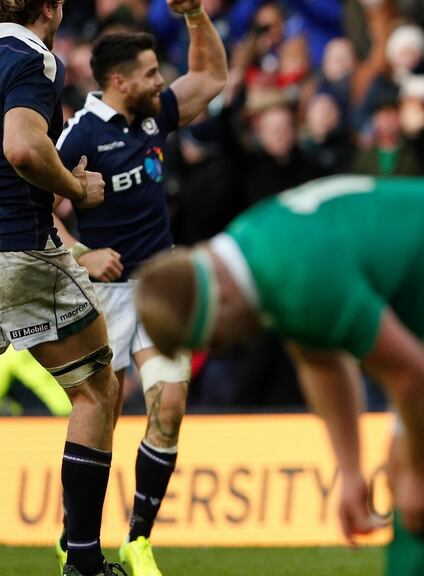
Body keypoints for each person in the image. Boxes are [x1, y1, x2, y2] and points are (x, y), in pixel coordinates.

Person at [133, 176, 424, 576]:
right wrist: (350, 473)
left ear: (223, 299)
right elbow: (319, 361)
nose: (227, 348)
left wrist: (421, 472)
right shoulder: (253, 253)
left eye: (219, 339)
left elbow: (414, 378)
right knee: (404, 471)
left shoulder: (295, 275)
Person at [53, 7, 228, 575]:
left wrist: (197, 17)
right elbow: (36, 210)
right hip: (106, 296)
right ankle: (77, 540)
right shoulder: (80, 134)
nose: (162, 81)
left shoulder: (151, 118)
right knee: (101, 420)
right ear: (120, 82)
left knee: (170, 408)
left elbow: (211, 80)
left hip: (158, 289)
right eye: (152, 73)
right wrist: (83, 252)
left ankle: (138, 540)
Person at [1, 1, 123, 575]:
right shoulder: (34, 60)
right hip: (16, 251)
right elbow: (23, 146)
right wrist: (74, 184)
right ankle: (84, 562)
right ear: (51, 9)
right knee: (98, 389)